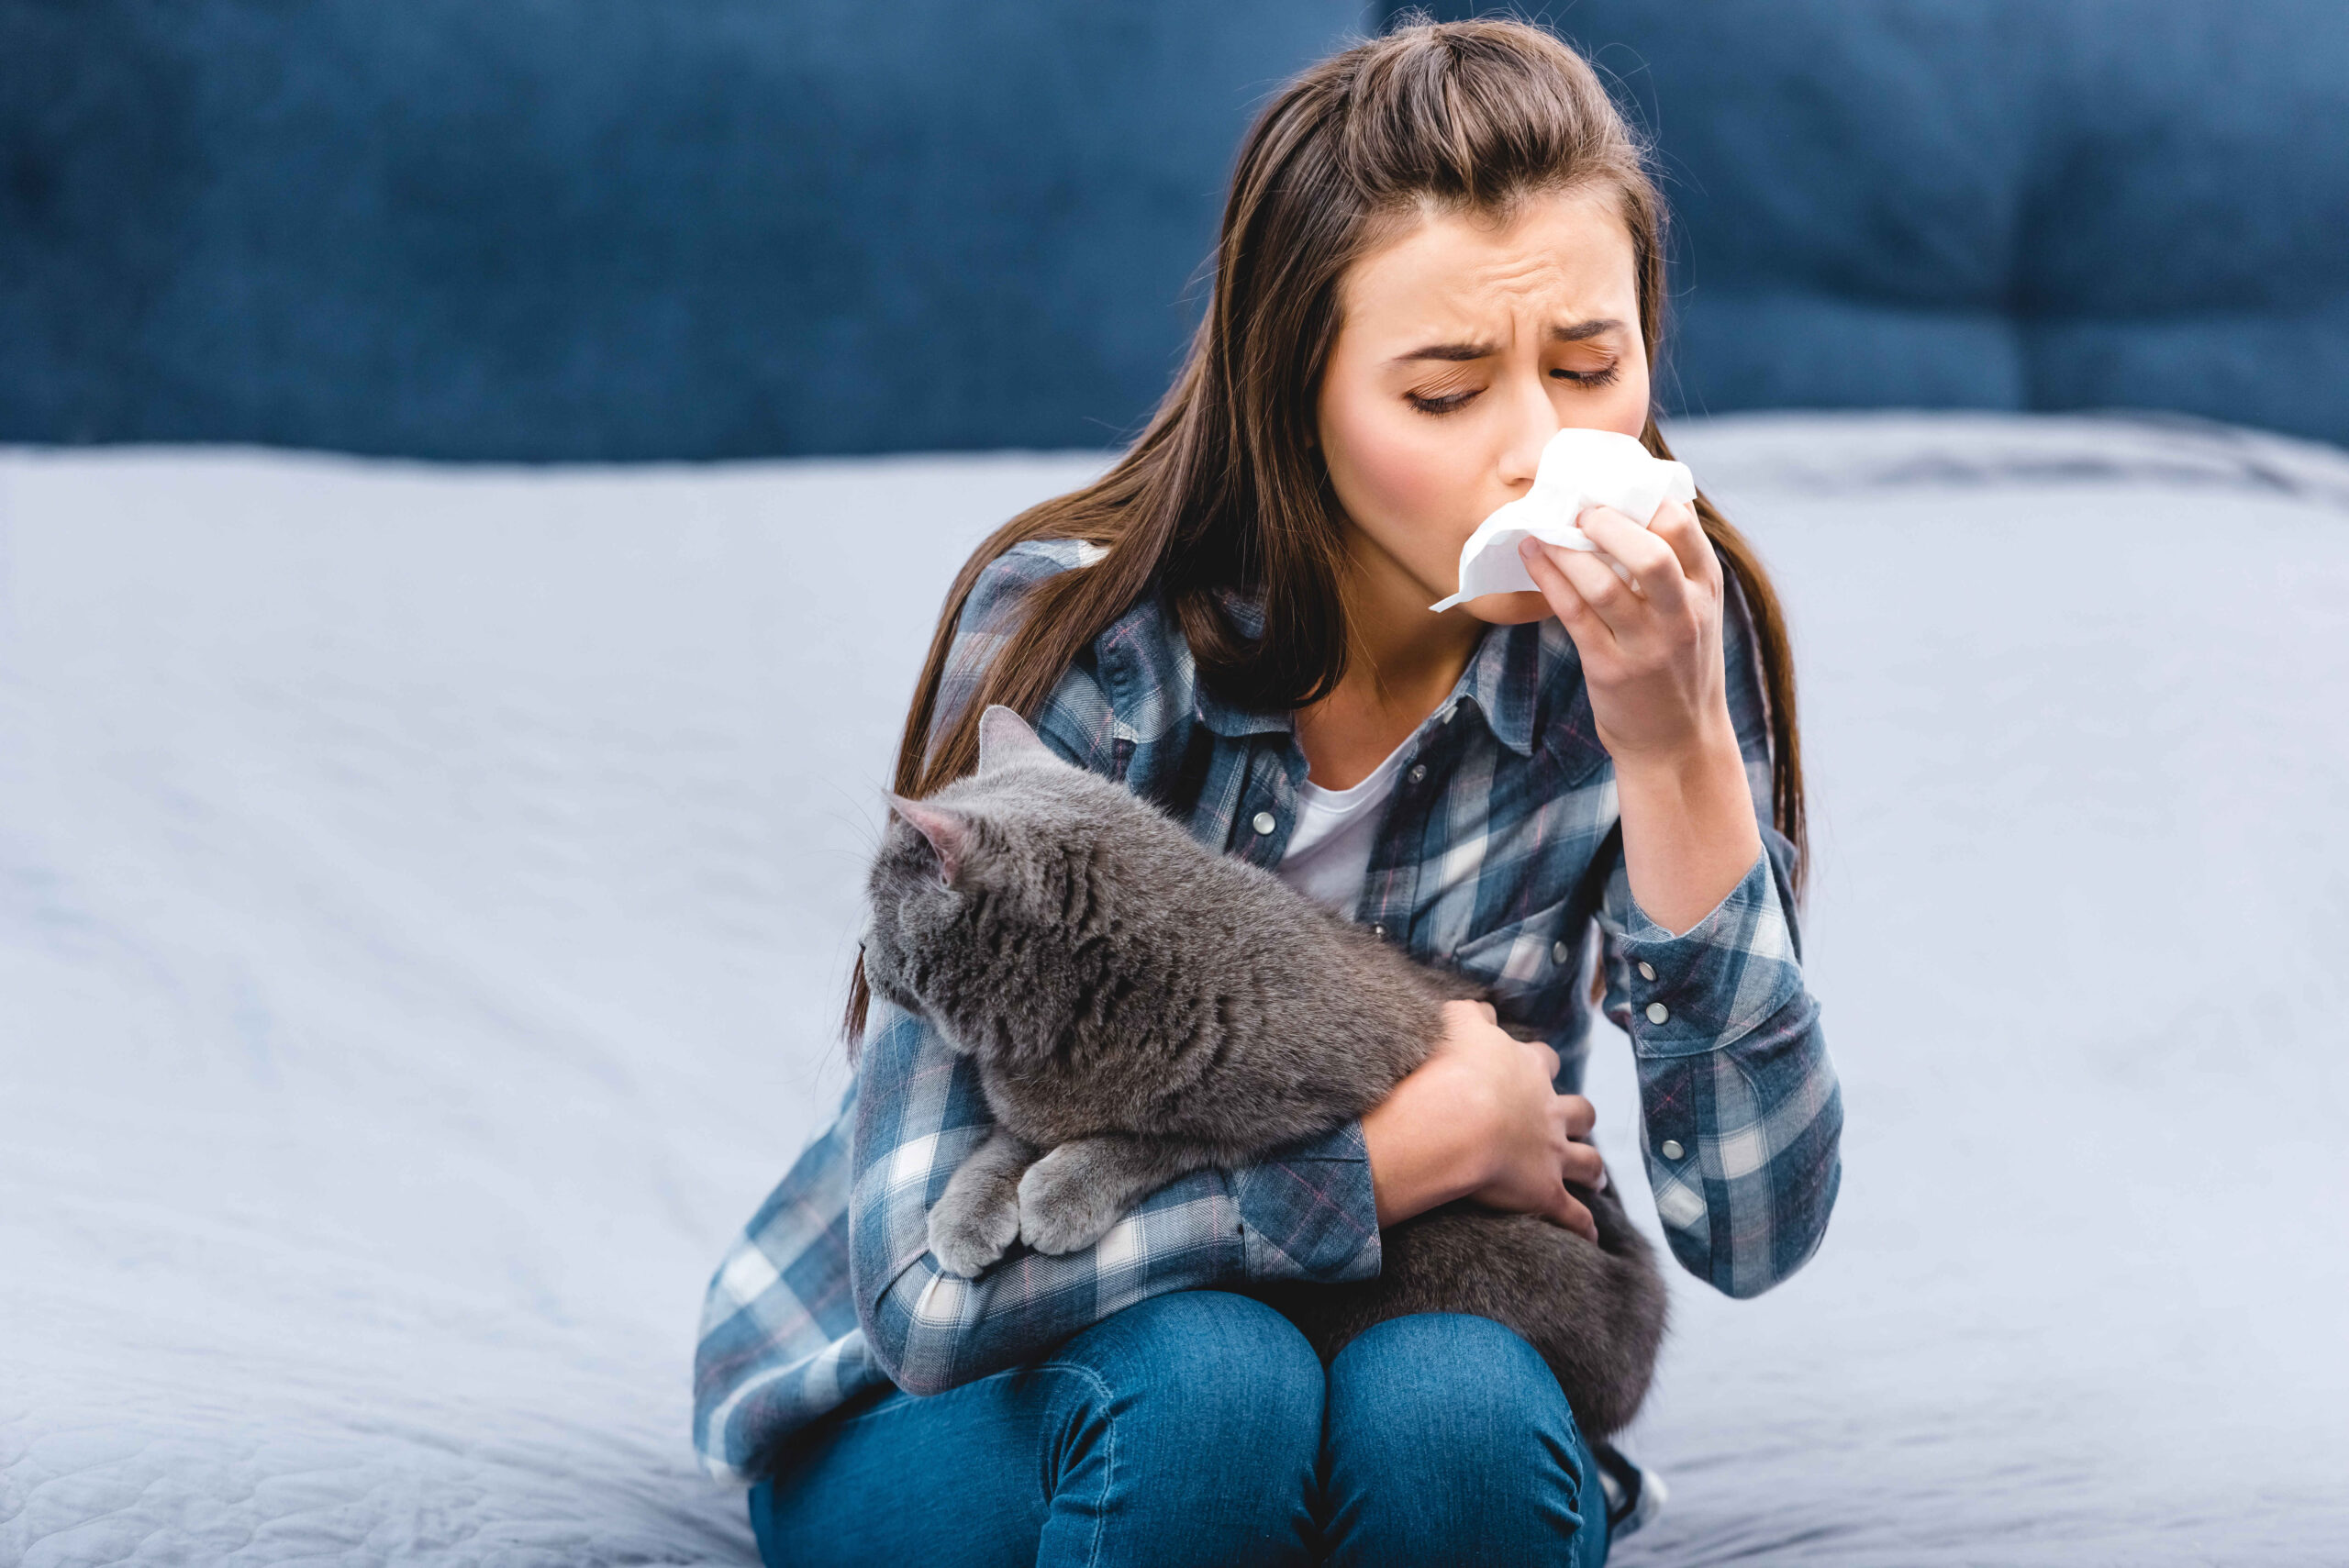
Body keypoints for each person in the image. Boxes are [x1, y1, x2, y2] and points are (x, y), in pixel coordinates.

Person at [694, 17, 1842, 1566]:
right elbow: (933, 1292)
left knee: (1461, 1425)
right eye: (1444, 394)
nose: (1540, 451)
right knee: (1215, 1385)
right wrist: (1390, 1160)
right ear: (1295, 392)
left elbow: (1751, 1232)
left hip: (1392, 1349)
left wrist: (1676, 746)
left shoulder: (1660, 653)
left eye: (1590, 365)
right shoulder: (1086, 644)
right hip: (983, 1392)